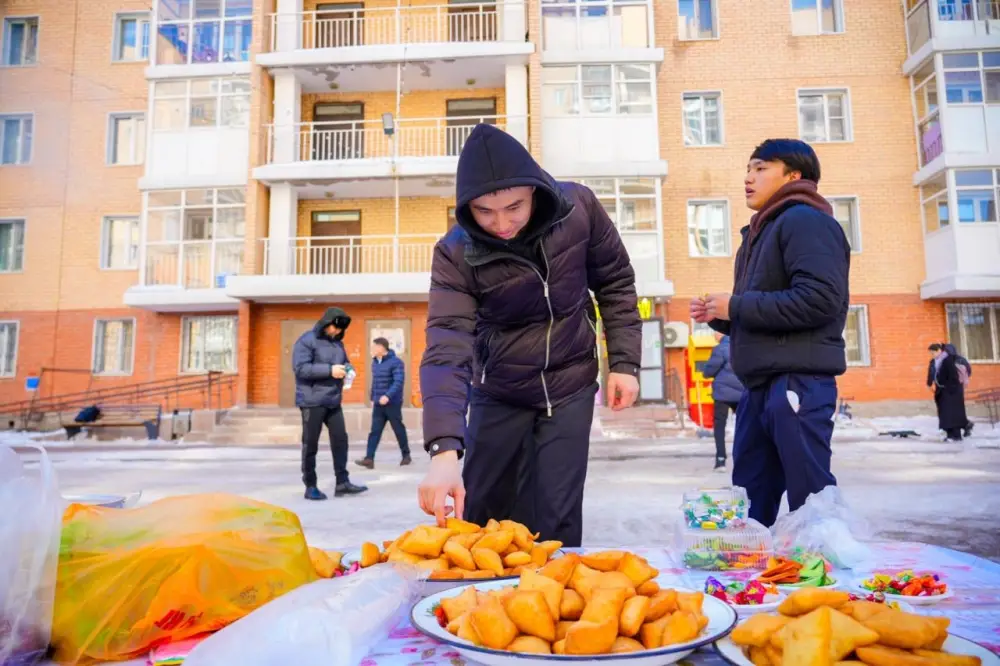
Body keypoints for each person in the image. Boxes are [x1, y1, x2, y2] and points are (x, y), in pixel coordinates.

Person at [417, 124, 642, 546]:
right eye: (485, 211)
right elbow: (447, 345)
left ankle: (554, 582)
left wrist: (625, 363)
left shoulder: (579, 209)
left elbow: (615, 283)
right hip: (500, 388)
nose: (502, 223)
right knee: (483, 513)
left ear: (534, 190)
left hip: (571, 382)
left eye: (514, 207)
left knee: (556, 516)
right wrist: (444, 449)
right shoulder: (455, 252)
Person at [690, 138, 850, 528]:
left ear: (794, 175)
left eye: (761, 168)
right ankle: (752, 568)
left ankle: (820, 566)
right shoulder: (760, 232)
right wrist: (721, 317)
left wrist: (736, 306)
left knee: (810, 503)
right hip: (759, 386)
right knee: (749, 507)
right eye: (748, 169)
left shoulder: (806, 221)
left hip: (797, 382)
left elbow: (819, 300)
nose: (748, 177)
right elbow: (769, 310)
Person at [292, 307, 368, 500]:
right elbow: (301, 368)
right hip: (312, 400)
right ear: (326, 323)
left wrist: (348, 369)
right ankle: (310, 486)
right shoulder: (306, 340)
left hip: (333, 400)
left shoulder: (337, 344)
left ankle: (342, 482)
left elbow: (344, 362)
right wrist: (329, 370)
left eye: (340, 329)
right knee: (310, 444)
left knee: (341, 441)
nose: (337, 331)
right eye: (334, 327)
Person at [356, 337, 412, 469]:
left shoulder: (396, 362)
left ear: (381, 347)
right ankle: (369, 459)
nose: (372, 349)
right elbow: (375, 382)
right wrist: (372, 397)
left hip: (392, 403)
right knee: (374, 431)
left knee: (398, 429)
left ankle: (406, 455)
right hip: (378, 404)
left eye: (374, 347)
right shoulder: (375, 362)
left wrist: (387, 396)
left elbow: (398, 382)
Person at [702, 332, 744, 471]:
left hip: (722, 395)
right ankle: (743, 458)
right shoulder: (743, 346)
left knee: (720, 427)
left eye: (715, 332)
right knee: (743, 426)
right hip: (742, 394)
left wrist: (706, 372)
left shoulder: (720, 348)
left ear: (721, 333)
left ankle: (721, 460)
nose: (714, 335)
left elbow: (709, 371)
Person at [928, 342, 970, 441]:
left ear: (939, 351)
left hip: (951, 391)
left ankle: (956, 435)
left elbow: (953, 376)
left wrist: (950, 388)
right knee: (946, 414)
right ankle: (950, 435)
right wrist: (931, 383)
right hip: (944, 391)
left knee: (952, 414)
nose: (932, 355)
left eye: (933, 353)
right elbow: (934, 373)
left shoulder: (947, 360)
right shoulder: (938, 361)